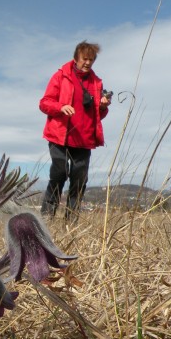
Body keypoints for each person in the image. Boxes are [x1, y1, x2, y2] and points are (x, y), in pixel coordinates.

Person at [39, 41, 111, 219]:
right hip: (59, 136)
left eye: (91, 60)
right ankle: (47, 218)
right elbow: (44, 103)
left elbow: (97, 116)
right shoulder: (61, 76)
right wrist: (60, 107)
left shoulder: (96, 83)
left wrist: (103, 107)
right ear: (76, 58)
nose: (88, 63)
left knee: (79, 181)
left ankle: (70, 221)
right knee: (60, 173)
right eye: (85, 59)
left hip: (84, 139)